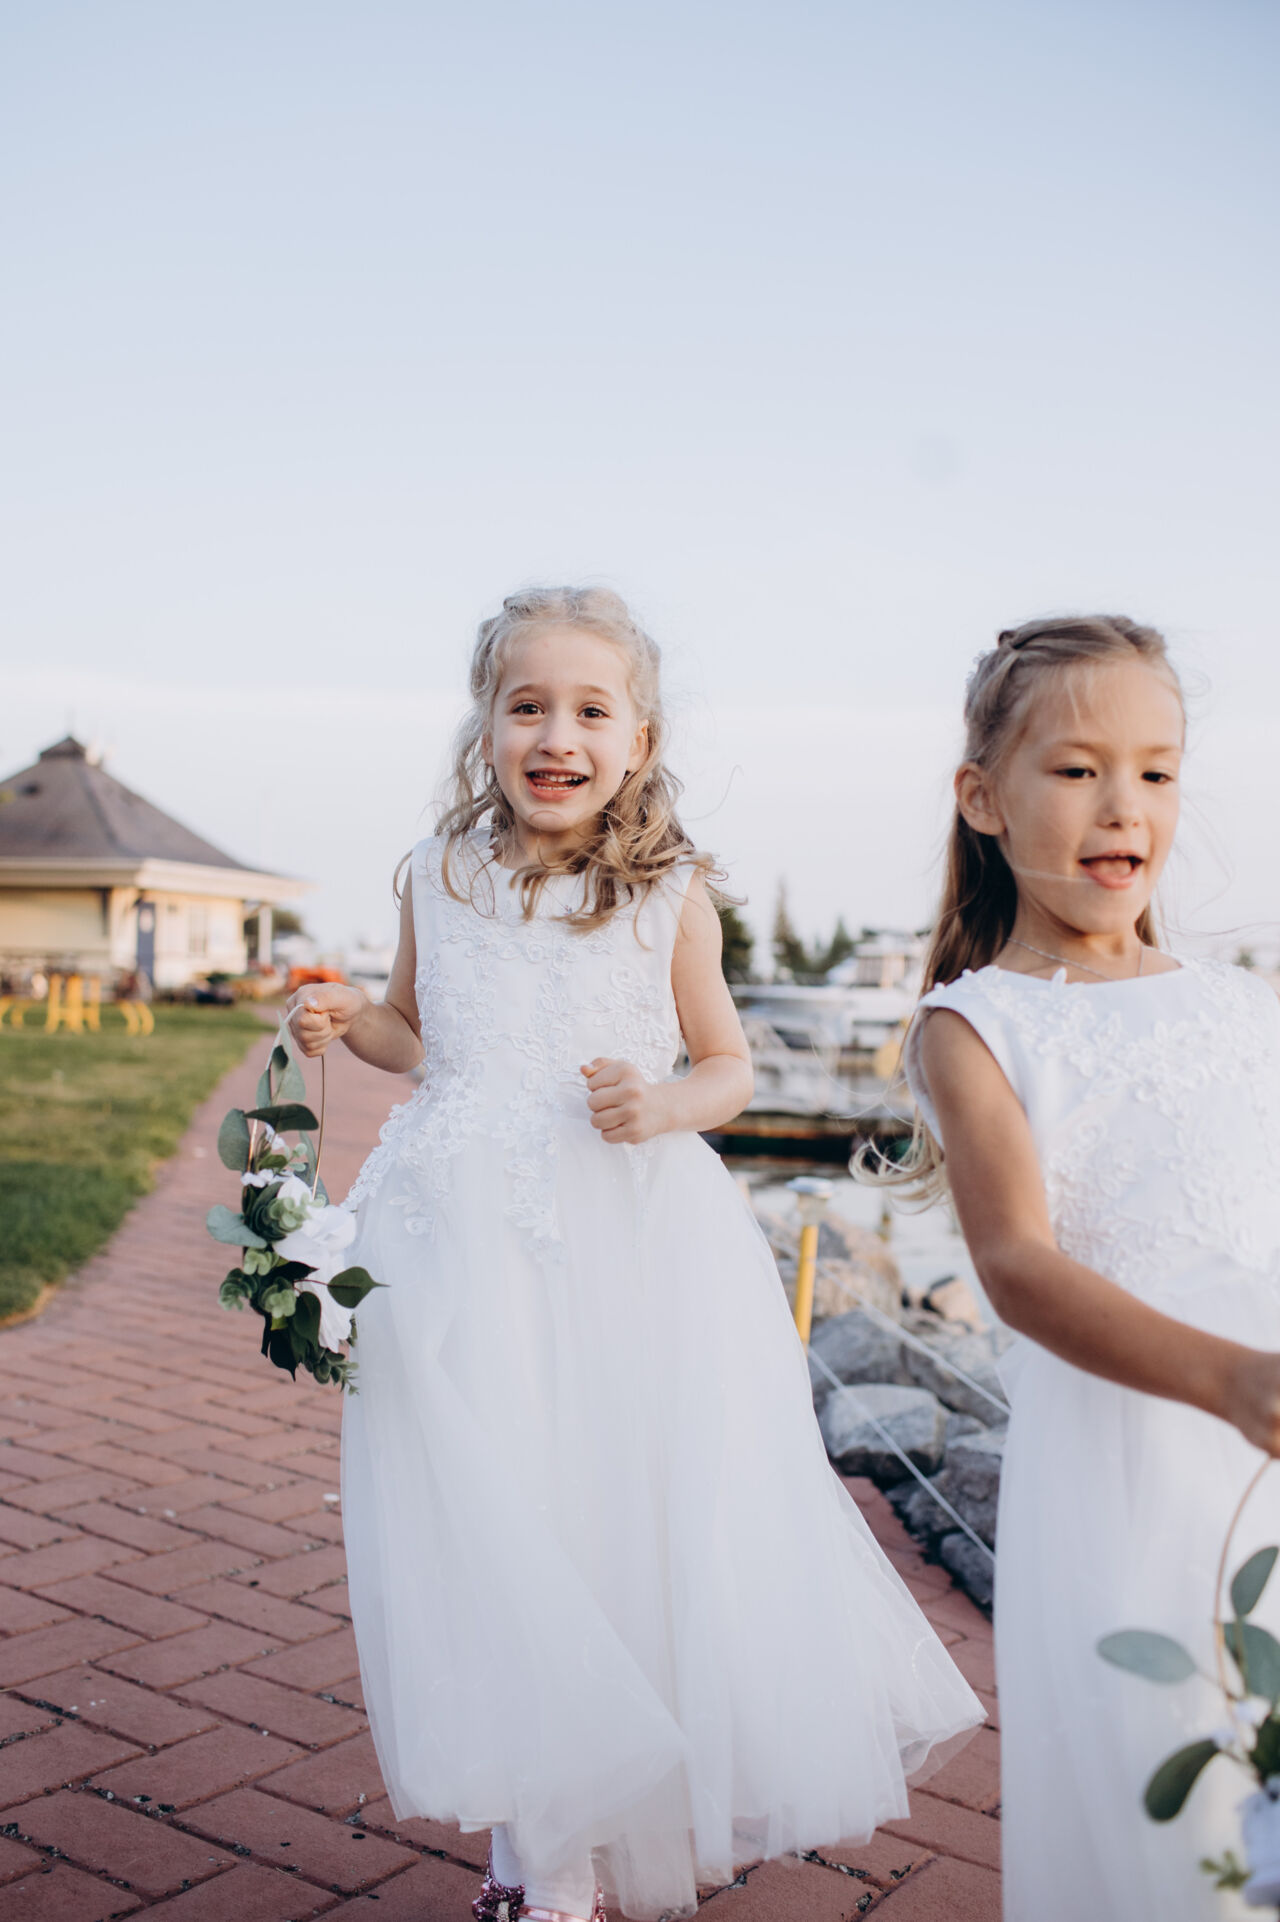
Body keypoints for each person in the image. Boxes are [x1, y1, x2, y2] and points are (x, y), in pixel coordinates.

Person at [288, 586, 981, 1922]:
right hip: (455, 1242)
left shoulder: (668, 895)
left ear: (640, 740)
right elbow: (415, 1036)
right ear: (486, 726)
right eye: (527, 706)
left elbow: (728, 1066)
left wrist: (661, 1104)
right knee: (491, 1521)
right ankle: (538, 1853)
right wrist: (346, 1018)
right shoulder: (439, 873)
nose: (557, 734)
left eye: (591, 710)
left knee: (606, 1517)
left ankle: (580, 1830)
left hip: (624, 1244)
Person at [888, 616, 1280, 1921]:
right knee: (1173, 1789)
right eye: (1077, 769)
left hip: (1270, 1437)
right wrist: (1231, 1380)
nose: (1126, 805)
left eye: (1158, 771)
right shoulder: (977, 1025)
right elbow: (1014, 1263)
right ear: (983, 796)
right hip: (1137, 1455)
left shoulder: (1242, 1005)